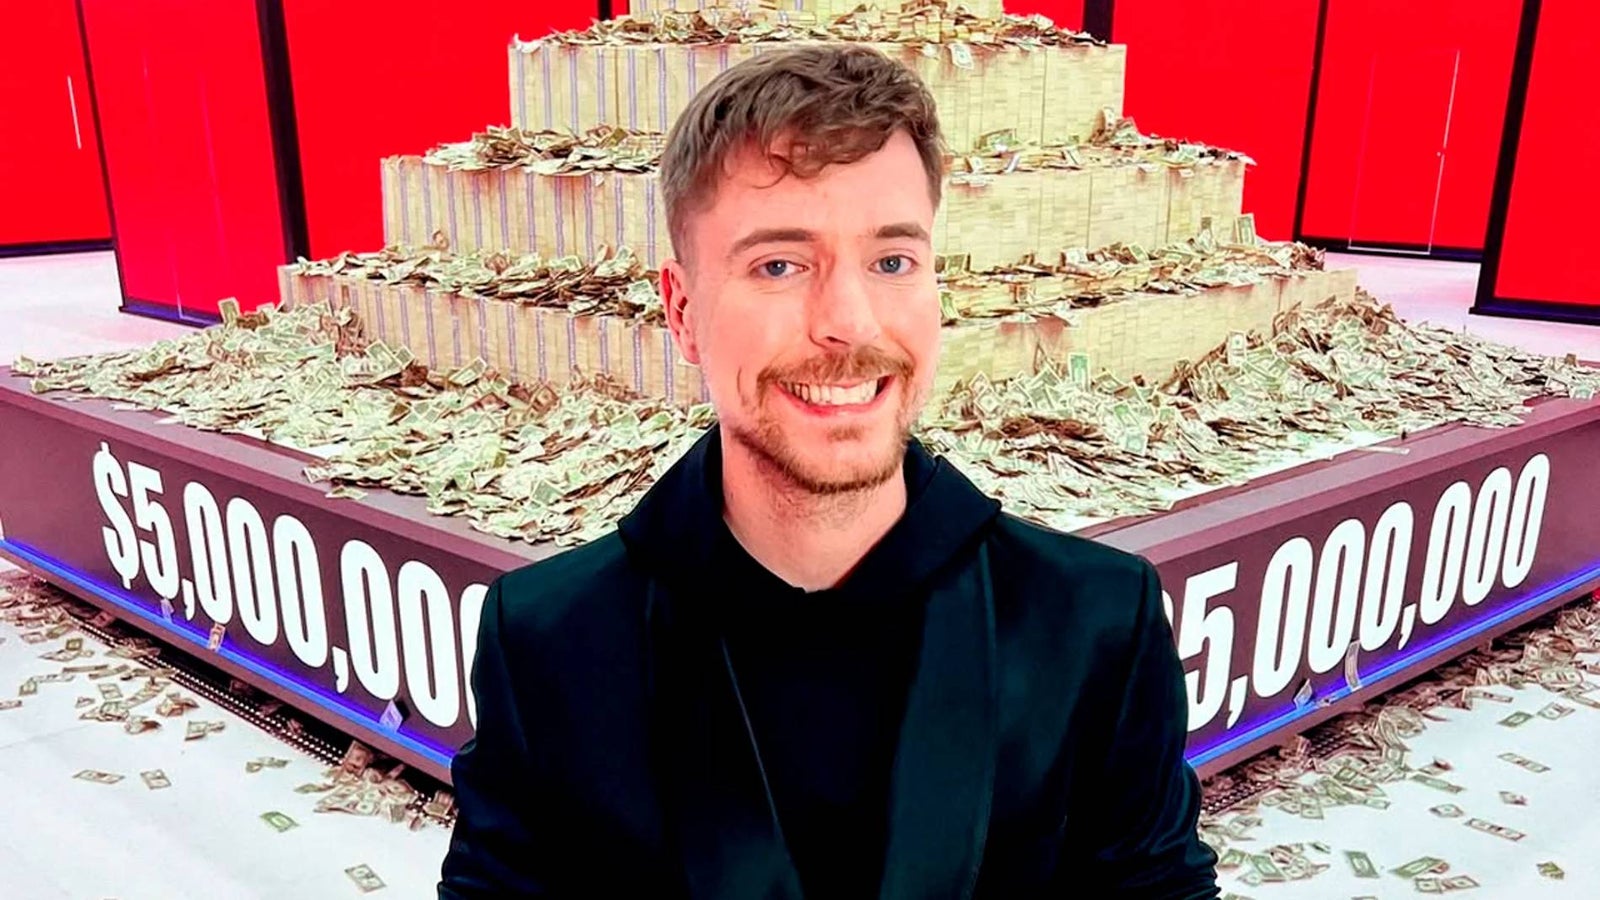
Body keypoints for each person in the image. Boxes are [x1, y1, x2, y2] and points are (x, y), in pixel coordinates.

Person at [439, 44, 1219, 900]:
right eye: (780, 265)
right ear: (682, 311)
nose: (849, 322)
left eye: (892, 261)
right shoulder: (547, 638)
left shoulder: (1097, 621)